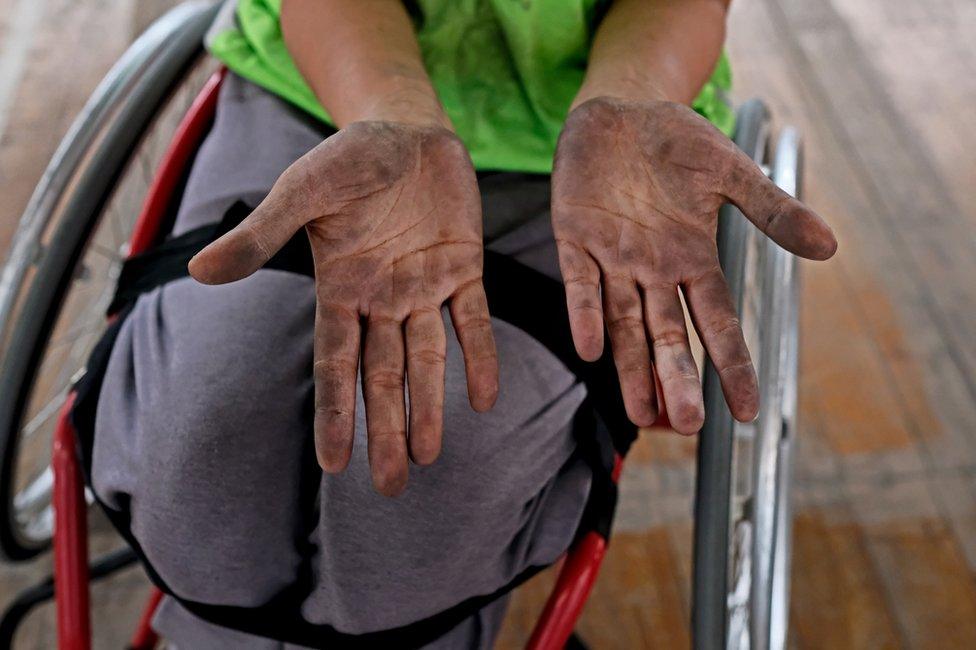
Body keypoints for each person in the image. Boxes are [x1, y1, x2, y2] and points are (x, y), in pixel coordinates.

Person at [89, 0, 837, 647]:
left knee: (420, 506)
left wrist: (630, 98)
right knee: (197, 467)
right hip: (328, 83)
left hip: (591, 141)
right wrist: (391, 111)